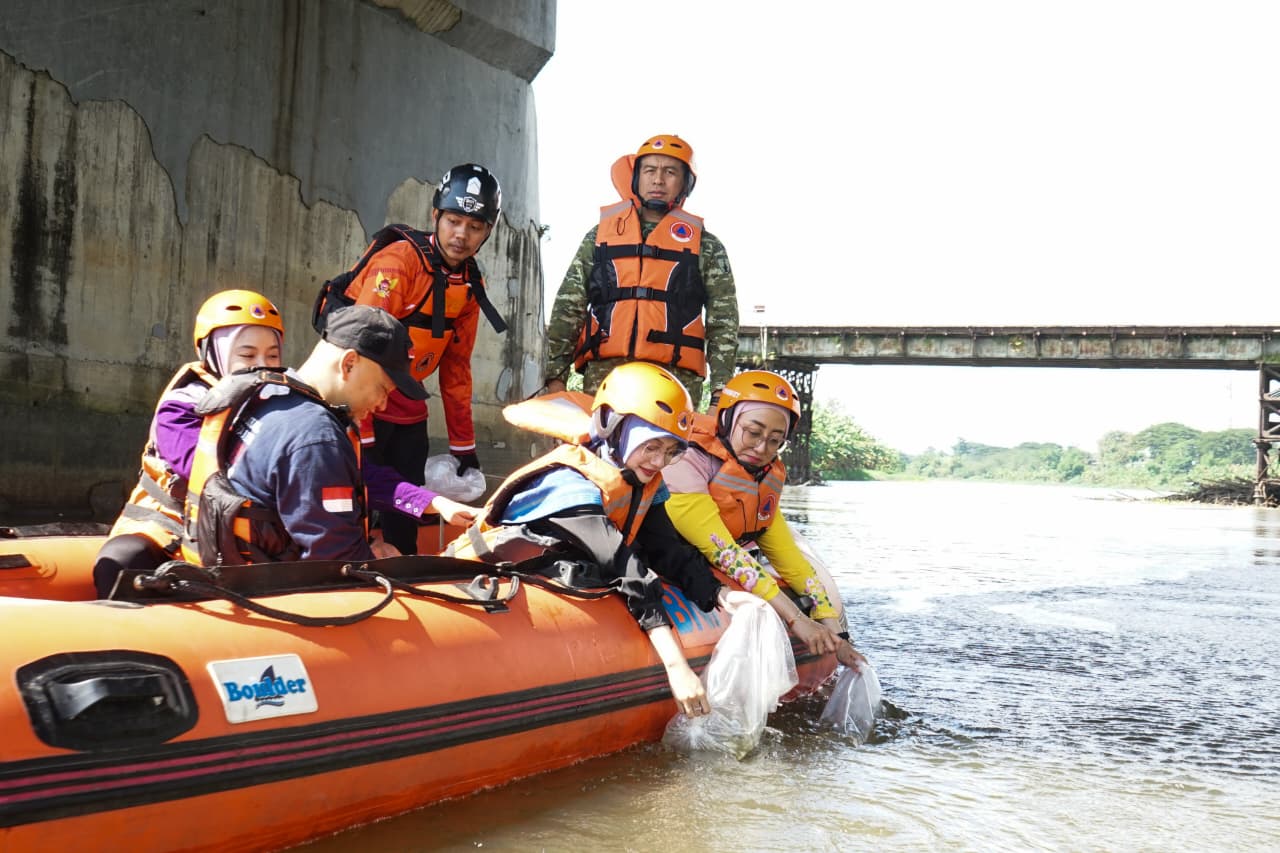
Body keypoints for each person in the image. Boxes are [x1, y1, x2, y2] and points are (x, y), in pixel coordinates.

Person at [443, 362, 711, 717]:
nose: (659, 461)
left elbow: (668, 550)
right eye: (651, 446)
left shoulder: (641, 482)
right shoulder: (569, 485)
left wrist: (718, 595)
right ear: (615, 429)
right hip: (465, 582)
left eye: (671, 451)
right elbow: (623, 566)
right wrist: (677, 667)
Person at [313, 163, 507, 555]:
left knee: (406, 507)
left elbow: (455, 369)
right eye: (453, 220)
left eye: (475, 226)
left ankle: (405, 571)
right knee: (359, 496)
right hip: (363, 399)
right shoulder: (399, 262)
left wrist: (463, 446)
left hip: (408, 402)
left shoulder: (470, 284)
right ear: (436, 215)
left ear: (489, 230)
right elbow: (360, 347)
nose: (461, 235)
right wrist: (361, 430)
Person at [180, 305, 439, 566]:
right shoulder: (315, 435)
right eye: (383, 388)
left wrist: (426, 503)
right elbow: (338, 561)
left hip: (222, 567)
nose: (383, 404)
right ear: (348, 364)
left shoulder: (268, 396)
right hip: (266, 590)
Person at [661, 370, 867, 670]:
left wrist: (837, 633)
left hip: (707, 562)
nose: (761, 449)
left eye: (775, 441)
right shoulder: (684, 462)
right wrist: (795, 619)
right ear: (729, 420)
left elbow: (791, 560)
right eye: (753, 432)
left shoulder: (761, 478)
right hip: (667, 559)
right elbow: (723, 551)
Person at [93, 290, 285, 596]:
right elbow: (199, 470)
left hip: (243, 530)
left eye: (272, 355)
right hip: (170, 523)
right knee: (120, 560)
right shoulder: (180, 407)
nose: (261, 365)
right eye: (247, 355)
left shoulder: (288, 404)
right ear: (211, 354)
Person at [543, 133, 739, 401]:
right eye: (650, 170)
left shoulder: (707, 246)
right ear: (637, 178)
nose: (658, 179)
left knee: (667, 446)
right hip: (605, 378)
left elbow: (723, 323)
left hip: (674, 384)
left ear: (685, 183)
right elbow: (569, 307)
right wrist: (555, 378)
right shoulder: (599, 236)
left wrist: (720, 394)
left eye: (670, 172)